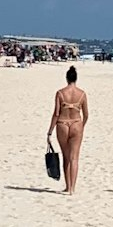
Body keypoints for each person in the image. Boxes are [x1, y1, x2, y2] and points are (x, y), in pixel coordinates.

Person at [47, 65, 89, 195]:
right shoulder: (81, 94)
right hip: (76, 123)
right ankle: (72, 189)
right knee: (74, 158)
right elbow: (86, 114)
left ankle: (67, 185)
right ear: (76, 79)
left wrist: (50, 130)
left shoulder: (60, 93)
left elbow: (56, 113)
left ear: (66, 78)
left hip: (62, 124)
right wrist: (82, 126)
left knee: (66, 157)